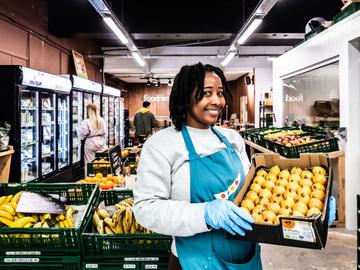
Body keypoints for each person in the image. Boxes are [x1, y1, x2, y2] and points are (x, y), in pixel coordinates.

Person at [133, 62, 337, 270]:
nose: (216, 101)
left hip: (245, 258)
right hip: (194, 262)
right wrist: (205, 214)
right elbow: (145, 209)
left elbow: (256, 192)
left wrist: (310, 213)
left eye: (220, 93)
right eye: (206, 93)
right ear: (185, 96)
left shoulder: (231, 139)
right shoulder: (162, 145)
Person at [78, 103, 107, 176]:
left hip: (90, 143)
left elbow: (82, 135)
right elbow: (104, 132)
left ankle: (90, 179)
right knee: (100, 163)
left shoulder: (87, 121)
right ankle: (100, 177)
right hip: (101, 142)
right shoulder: (101, 120)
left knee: (89, 164)